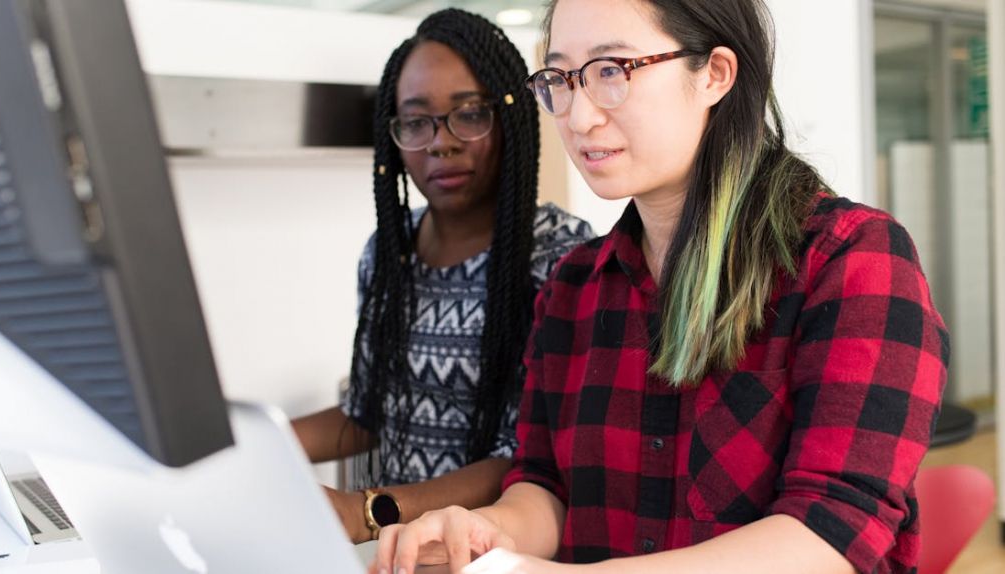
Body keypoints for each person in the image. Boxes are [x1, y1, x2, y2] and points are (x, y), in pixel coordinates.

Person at [369, 1, 948, 573]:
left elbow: (831, 534)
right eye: (561, 79)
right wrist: (488, 532)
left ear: (714, 74)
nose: (578, 117)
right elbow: (545, 487)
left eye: (611, 71)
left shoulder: (851, 259)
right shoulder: (573, 287)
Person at [291, 8, 595, 545]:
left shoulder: (560, 258)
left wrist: (368, 512)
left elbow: (528, 457)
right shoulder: (389, 253)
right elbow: (367, 411)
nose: (441, 142)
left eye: (469, 114)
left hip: (494, 552)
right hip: (399, 551)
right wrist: (251, 445)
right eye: (416, 121)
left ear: (509, 119)